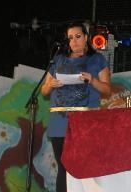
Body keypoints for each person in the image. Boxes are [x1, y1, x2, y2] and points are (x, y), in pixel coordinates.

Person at [41, 23, 111, 192]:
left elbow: (107, 90)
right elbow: (43, 91)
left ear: (86, 37)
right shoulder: (58, 59)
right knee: (63, 167)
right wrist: (51, 84)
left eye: (78, 36)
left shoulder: (98, 59)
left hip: (85, 120)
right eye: (70, 38)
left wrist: (92, 80)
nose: (74, 41)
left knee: (84, 165)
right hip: (59, 120)